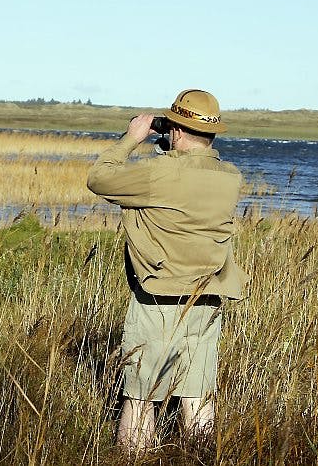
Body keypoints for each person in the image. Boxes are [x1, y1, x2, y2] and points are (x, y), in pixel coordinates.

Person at [86, 89, 249, 449]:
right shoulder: (230, 177)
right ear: (213, 132)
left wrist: (132, 138)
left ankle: (134, 457)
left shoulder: (158, 174)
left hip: (160, 297)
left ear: (174, 130)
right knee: (198, 393)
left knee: (143, 396)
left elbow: (100, 178)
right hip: (207, 298)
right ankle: (202, 455)